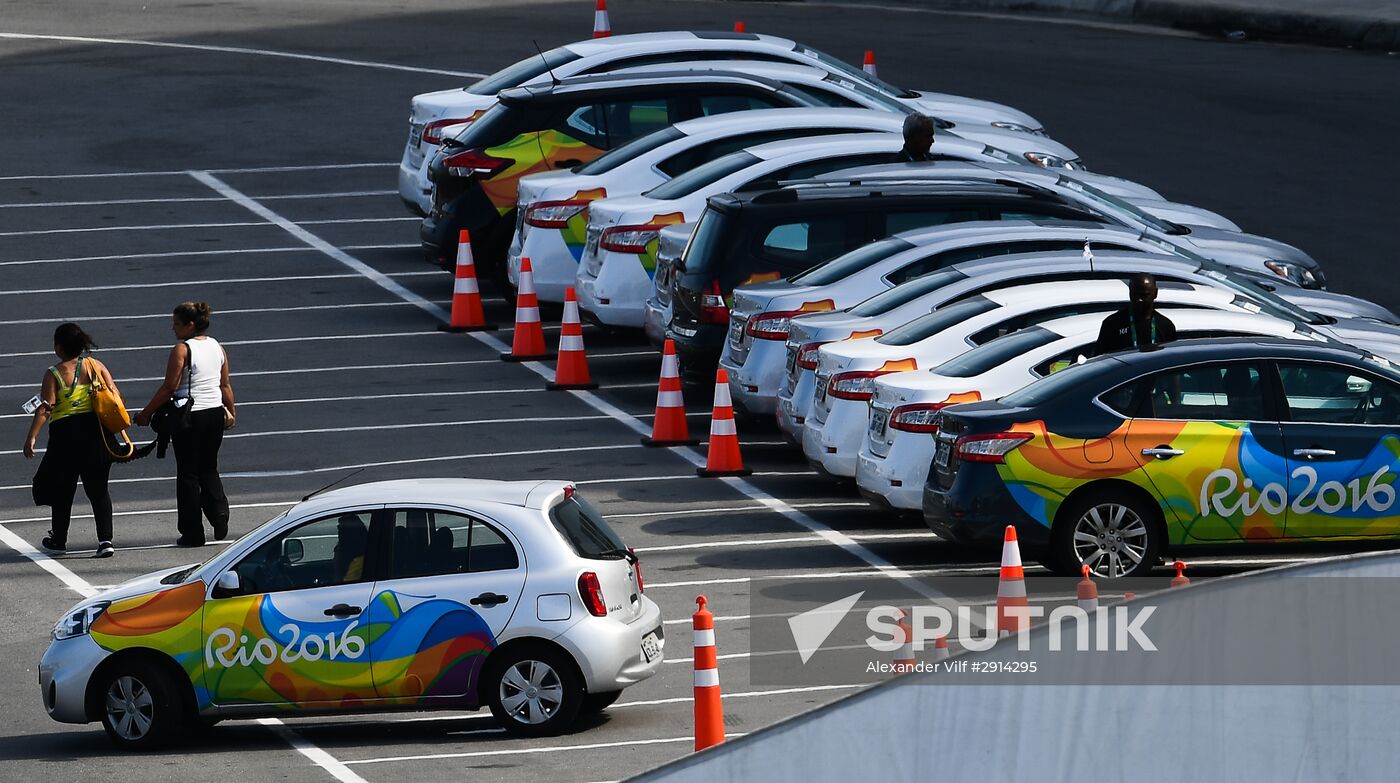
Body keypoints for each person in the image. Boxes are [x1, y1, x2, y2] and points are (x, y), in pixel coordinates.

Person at [135, 302, 235, 547]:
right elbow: (225, 385)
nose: (173, 328)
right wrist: (231, 412)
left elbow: (170, 387)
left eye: (177, 323)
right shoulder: (217, 346)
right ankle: (219, 512)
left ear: (190, 325)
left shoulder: (182, 350)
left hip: (190, 416)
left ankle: (193, 532)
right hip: (214, 412)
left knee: (188, 474)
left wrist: (146, 413)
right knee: (209, 467)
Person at [22, 324, 120, 558]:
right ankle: (105, 540)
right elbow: (114, 393)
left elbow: (46, 409)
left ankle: (59, 539)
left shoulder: (54, 373)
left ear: (59, 347)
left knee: (62, 490)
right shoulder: (96, 366)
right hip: (96, 435)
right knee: (98, 490)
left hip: (65, 438)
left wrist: (32, 436)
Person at [1096, 273, 1177, 353]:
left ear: (1155, 293)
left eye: (1144, 295)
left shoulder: (1166, 326)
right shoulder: (1112, 324)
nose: (1138, 300)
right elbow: (1100, 359)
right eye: (1134, 294)